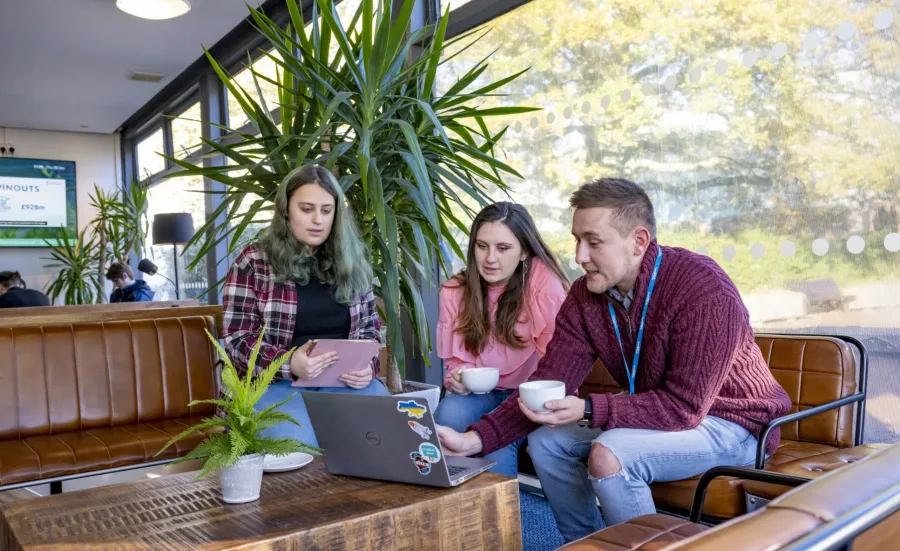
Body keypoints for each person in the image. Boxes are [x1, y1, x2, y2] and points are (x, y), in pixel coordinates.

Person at [436, 178, 792, 542]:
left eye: (593, 242)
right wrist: (475, 441)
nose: (579, 256)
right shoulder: (586, 295)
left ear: (638, 241)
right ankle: (586, 545)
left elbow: (685, 408)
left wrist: (590, 409)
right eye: (577, 239)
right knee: (546, 442)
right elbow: (547, 381)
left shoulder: (702, 288)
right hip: (658, 411)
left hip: (733, 420)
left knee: (612, 454)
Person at [222, 165, 389, 447]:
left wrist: (368, 369)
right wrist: (288, 363)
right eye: (306, 209)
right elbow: (236, 339)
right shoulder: (253, 262)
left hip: (345, 385)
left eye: (326, 210)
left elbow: (370, 329)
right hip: (274, 386)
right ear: (286, 210)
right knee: (299, 445)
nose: (317, 220)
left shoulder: (354, 261)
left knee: (386, 435)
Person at [434, 202, 568, 478]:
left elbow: (555, 366)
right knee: (446, 417)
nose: (490, 258)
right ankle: (449, 510)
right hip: (481, 393)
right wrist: (457, 376)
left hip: (528, 396)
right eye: (482, 246)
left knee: (496, 445)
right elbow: (457, 361)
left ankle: (500, 518)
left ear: (524, 251)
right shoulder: (454, 290)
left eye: (503, 248)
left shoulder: (543, 286)